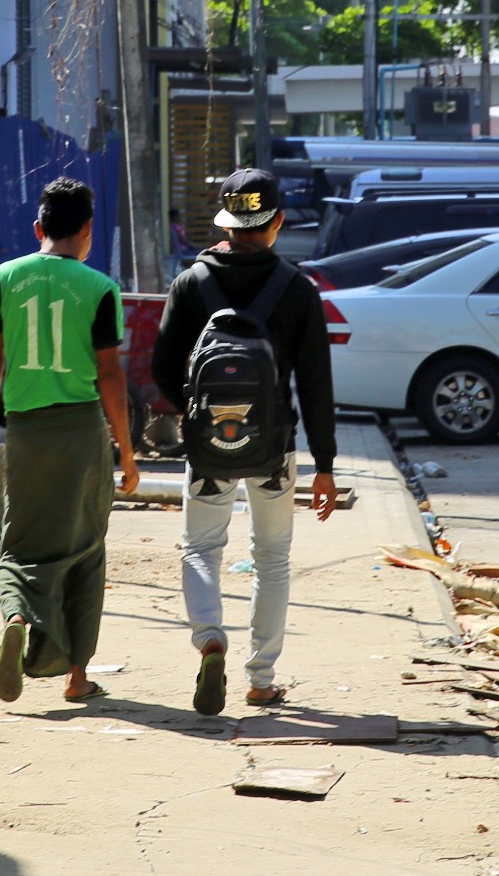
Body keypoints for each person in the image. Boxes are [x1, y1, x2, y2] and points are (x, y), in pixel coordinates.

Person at [151, 168, 339, 715]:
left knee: (201, 546)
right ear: (277, 222)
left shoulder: (191, 282)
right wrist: (324, 464)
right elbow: (317, 382)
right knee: (272, 557)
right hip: (274, 446)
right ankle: (261, 678)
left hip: (210, 446)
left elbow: (162, 367)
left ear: (226, 223)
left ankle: (210, 638)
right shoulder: (298, 289)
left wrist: (195, 419)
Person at [0, 177, 138, 705]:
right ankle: (76, 676)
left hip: (26, 431)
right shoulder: (101, 289)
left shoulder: (2, 278)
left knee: (20, 548)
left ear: (38, 228)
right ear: (87, 232)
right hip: (82, 432)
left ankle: (18, 615)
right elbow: (111, 376)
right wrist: (127, 450)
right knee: (86, 548)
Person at [168, 207, 195, 278]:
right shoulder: (176, 227)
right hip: (184, 251)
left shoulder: (173, 226)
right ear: (174, 217)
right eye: (178, 215)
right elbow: (183, 240)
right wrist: (192, 246)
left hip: (181, 250)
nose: (180, 217)